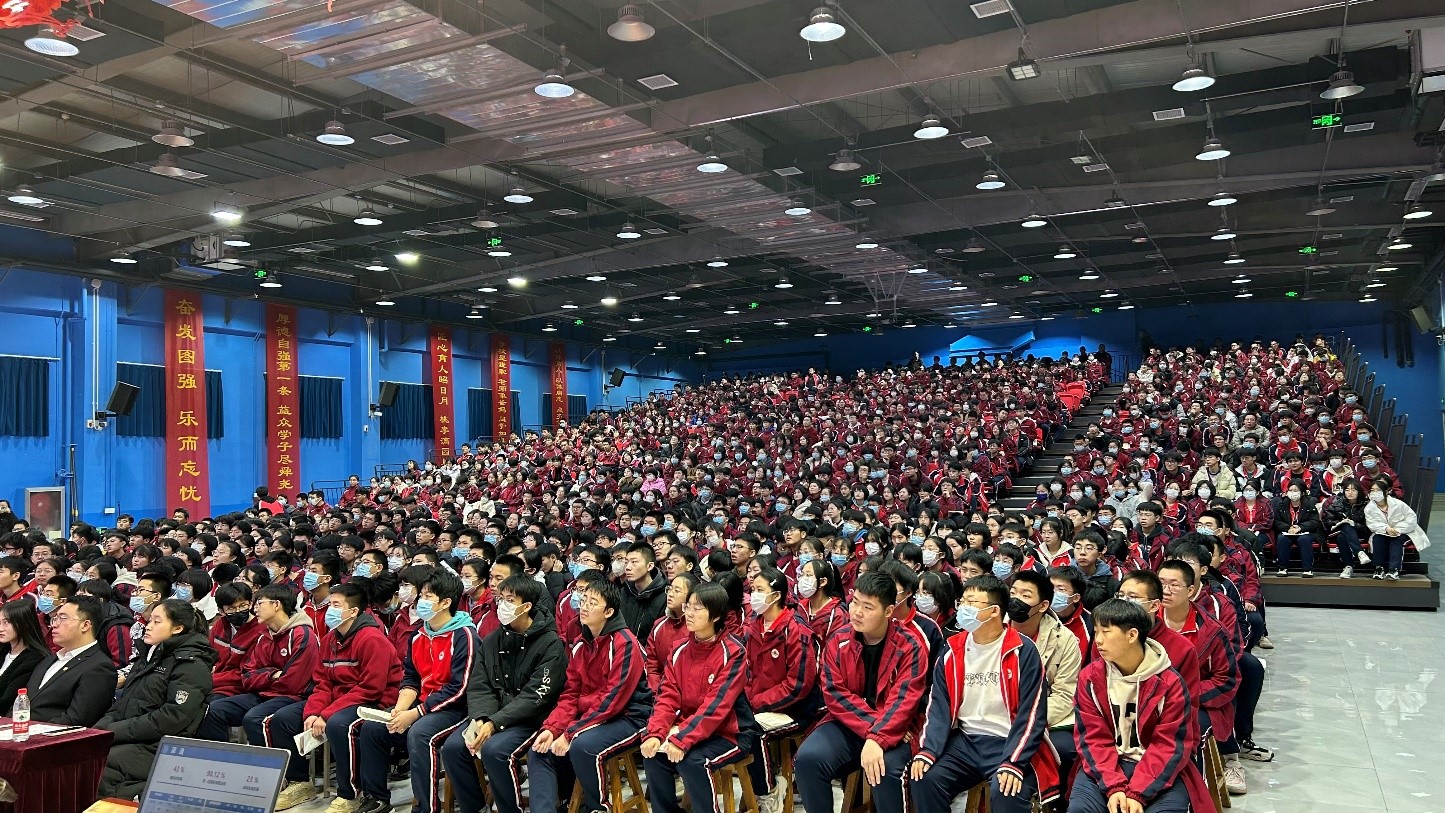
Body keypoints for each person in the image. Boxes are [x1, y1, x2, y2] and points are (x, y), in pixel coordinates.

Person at [911, 575, 1060, 813]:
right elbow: (938, 704)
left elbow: (1032, 714)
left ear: (994, 611)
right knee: (924, 778)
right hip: (965, 741)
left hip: (1008, 740)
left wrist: (1013, 761)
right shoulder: (952, 649)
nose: (963, 608)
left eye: (971, 603)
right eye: (962, 601)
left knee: (1007, 791)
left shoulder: (1022, 650)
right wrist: (928, 750)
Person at [264, 582, 404, 811]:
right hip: (339, 699)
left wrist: (326, 715)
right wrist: (314, 712)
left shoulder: (372, 639)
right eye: (330, 604)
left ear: (353, 611)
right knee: (283, 719)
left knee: (338, 725)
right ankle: (300, 782)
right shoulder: (330, 639)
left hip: (373, 701)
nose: (330, 609)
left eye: (336, 605)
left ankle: (351, 794)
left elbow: (370, 689)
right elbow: (323, 682)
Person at [794, 572, 927, 813]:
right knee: (807, 760)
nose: (857, 612)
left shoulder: (910, 646)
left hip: (897, 728)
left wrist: (880, 737)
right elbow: (835, 694)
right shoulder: (839, 640)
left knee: (884, 769)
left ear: (888, 611)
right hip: (849, 723)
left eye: (868, 607)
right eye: (855, 602)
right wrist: (875, 733)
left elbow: (904, 701)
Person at [1069, 599, 1212, 813]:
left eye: (1106, 632)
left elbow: (1169, 745)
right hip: (1107, 766)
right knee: (1081, 809)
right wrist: (1114, 787)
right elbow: (1092, 738)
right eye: (1096, 631)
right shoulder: (1090, 678)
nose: (1097, 640)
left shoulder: (1169, 682)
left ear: (1132, 635)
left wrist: (1137, 793)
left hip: (1156, 767)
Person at [352, 569, 476, 813]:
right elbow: (411, 678)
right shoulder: (419, 634)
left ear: (446, 602)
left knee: (419, 734)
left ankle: (426, 807)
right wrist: (399, 711)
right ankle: (377, 798)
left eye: (428, 596)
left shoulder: (465, 635)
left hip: (457, 709)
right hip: (422, 704)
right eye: (421, 595)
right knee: (374, 728)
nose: (421, 601)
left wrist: (414, 714)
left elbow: (459, 688)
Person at [442, 575, 566, 813]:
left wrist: (494, 723)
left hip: (530, 719)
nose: (502, 605)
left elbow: (536, 696)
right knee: (453, 748)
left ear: (526, 606)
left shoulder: (550, 643)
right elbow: (480, 684)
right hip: (493, 714)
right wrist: (481, 718)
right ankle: (476, 808)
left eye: (510, 600)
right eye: (500, 599)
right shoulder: (492, 639)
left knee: (495, 750)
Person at [528, 576, 652, 813]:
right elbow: (570, 694)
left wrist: (570, 732)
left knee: (581, 745)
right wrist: (553, 728)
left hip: (629, 717)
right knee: (540, 748)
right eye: (583, 600)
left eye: (592, 603)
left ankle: (598, 807)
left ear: (609, 612)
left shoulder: (626, 643)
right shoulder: (580, 643)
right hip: (592, 717)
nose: (584, 606)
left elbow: (613, 701)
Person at [641, 581, 755, 813]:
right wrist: (656, 733)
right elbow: (667, 696)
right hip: (690, 727)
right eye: (688, 606)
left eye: (697, 608)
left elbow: (716, 707)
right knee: (654, 755)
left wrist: (682, 739)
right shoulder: (679, 649)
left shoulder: (733, 652)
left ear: (716, 615)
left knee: (692, 761)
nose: (689, 613)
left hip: (729, 733)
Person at [97, 599, 216, 800]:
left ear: (177, 628)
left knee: (101, 766)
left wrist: (113, 732)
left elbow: (172, 718)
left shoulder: (191, 665)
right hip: (131, 737)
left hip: (160, 746)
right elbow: (123, 705)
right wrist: (97, 731)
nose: (148, 626)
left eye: (157, 622)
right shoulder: (149, 657)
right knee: (81, 752)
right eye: (149, 620)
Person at [195, 583, 320, 743]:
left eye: (259, 603)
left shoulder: (302, 635)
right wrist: (272, 675)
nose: (254, 609)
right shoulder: (265, 635)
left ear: (276, 605)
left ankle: (273, 760)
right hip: (262, 693)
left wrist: (264, 677)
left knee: (254, 718)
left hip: (294, 697)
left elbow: (293, 683)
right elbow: (247, 676)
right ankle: (220, 757)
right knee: (213, 710)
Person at [743, 568, 819, 813]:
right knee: (732, 721)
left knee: (753, 730)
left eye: (759, 590)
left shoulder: (796, 630)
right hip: (758, 704)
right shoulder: (753, 626)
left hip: (795, 709)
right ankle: (753, 787)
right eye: (752, 590)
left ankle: (768, 793)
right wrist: (747, 700)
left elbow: (798, 685)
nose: (753, 595)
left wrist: (757, 703)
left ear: (776, 596)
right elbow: (745, 671)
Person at [1007, 570, 1082, 780]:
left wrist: (1028, 721)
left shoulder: (1064, 639)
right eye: (1013, 593)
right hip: (998, 714)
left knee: (1065, 749)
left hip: (1044, 715)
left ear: (1043, 605)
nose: (1016, 600)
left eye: (1025, 595)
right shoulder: (993, 628)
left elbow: (1064, 695)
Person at [25, 594, 119, 726]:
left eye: (63, 618)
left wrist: (33, 730)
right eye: (55, 619)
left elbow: (77, 719)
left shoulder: (99, 667)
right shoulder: (49, 660)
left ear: (85, 625)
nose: (54, 625)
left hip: (50, 735)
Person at [1364, 476, 1430, 580]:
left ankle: (1393, 570)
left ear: (1386, 492)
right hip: (1383, 531)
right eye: (1372, 490)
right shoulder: (1369, 508)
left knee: (1396, 540)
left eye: (1378, 490)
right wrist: (1386, 529)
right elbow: (1372, 524)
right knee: (1377, 539)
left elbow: (1411, 519)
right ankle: (1379, 568)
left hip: (1405, 531)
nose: (1375, 493)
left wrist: (1398, 530)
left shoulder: (1398, 504)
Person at [0, 599, 48, 713]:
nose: (1, 628)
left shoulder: (36, 659)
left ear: (23, 623)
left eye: (6, 622)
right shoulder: (3, 651)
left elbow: (7, 700)